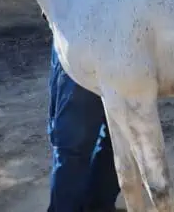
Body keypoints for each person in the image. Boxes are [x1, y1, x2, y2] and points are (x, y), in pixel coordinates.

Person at [43, 12, 122, 212]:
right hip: (80, 38)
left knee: (120, 139)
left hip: (124, 42)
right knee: (74, 144)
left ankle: (98, 206)